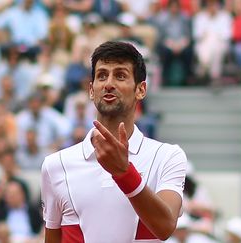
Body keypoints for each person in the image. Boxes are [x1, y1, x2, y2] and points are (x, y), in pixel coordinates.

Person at [41, 41, 187, 242]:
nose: (109, 83)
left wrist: (124, 173)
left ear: (141, 89)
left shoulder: (168, 156)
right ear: (91, 90)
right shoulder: (55, 165)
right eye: (102, 75)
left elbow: (165, 227)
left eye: (120, 75)